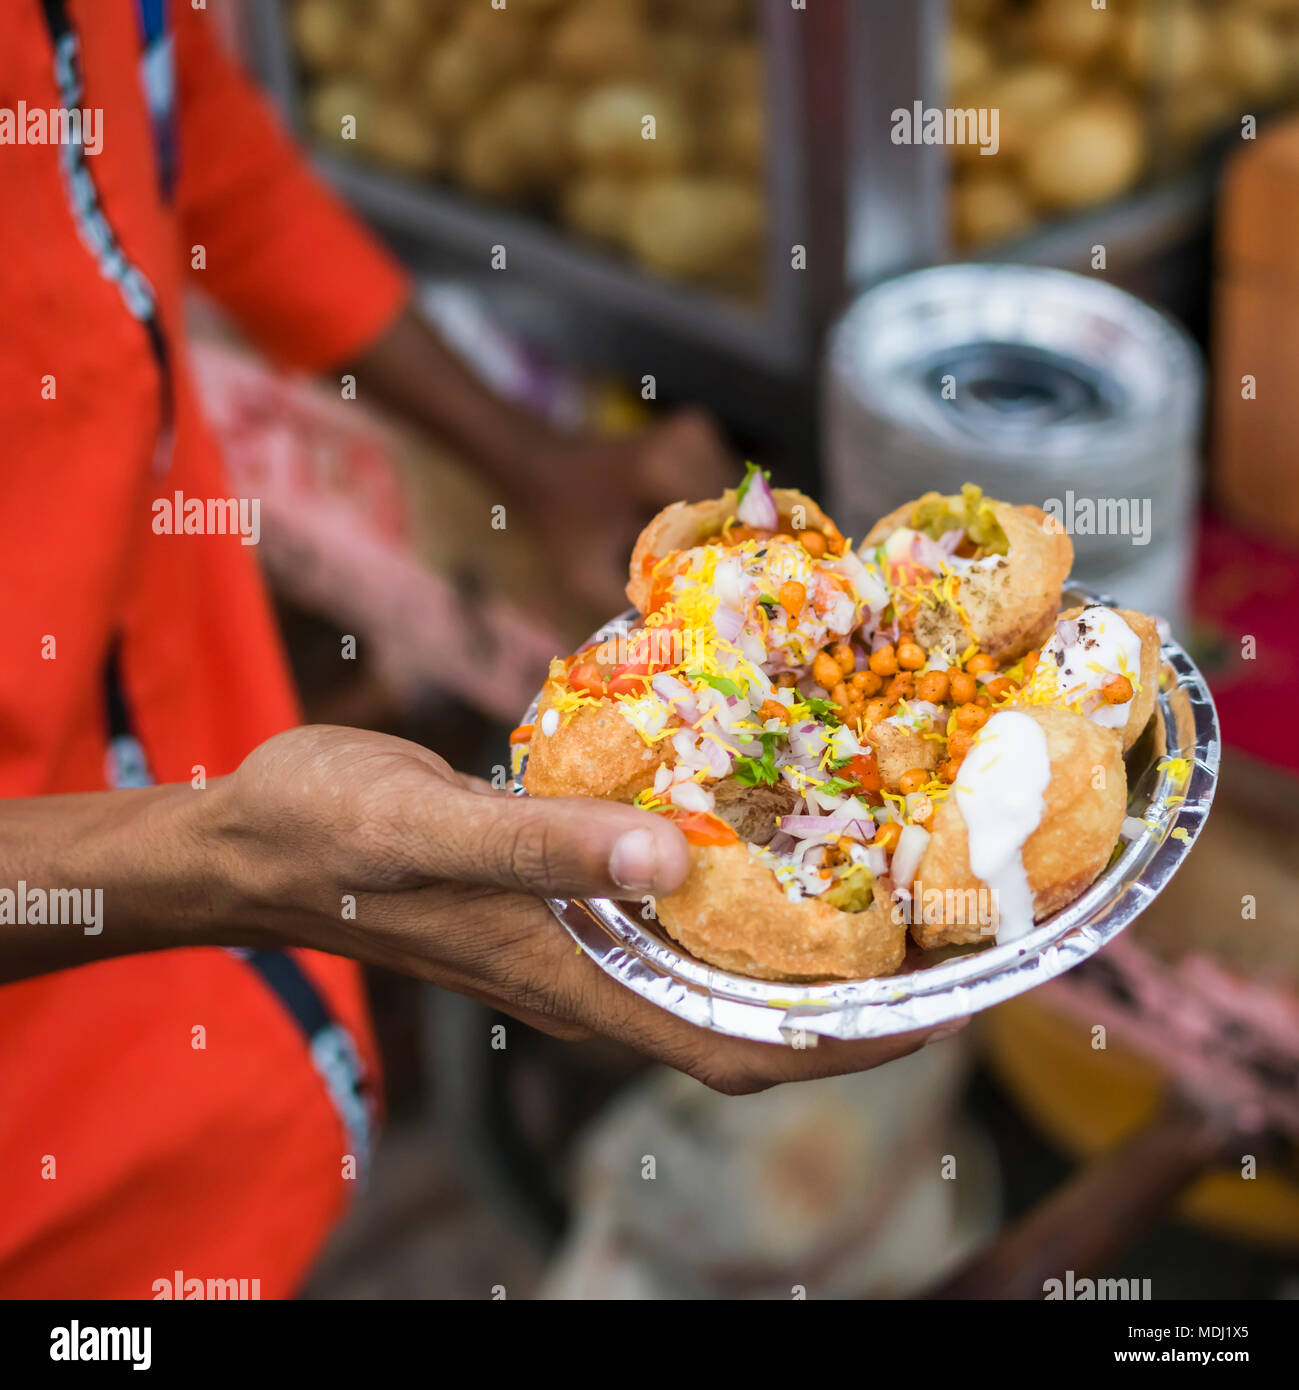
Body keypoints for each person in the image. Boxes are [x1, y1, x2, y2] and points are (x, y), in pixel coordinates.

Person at [0, 4, 956, 1298]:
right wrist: (218, 863)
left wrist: (529, 459)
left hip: (237, 1077)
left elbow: (185, 143)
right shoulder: (230, 858)